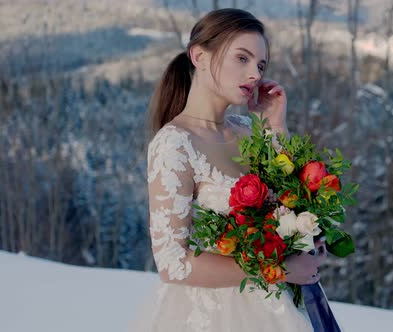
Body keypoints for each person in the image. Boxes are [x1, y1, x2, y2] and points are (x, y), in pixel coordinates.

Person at [129, 9, 327, 332]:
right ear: (199, 56)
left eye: (261, 65)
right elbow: (172, 264)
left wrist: (276, 125)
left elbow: (291, 203)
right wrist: (278, 268)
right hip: (212, 316)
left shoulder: (249, 131)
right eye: (242, 58)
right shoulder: (175, 144)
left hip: (275, 309)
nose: (254, 74)